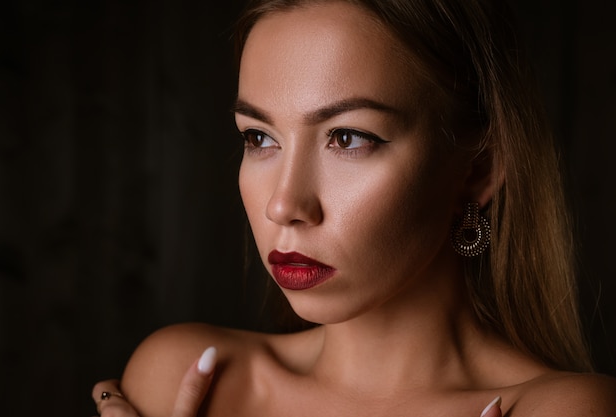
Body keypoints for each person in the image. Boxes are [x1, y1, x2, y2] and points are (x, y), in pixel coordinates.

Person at [92, 0, 616, 416]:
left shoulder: (562, 410)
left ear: (477, 169)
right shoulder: (183, 378)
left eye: (347, 138)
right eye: (259, 138)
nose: (283, 205)